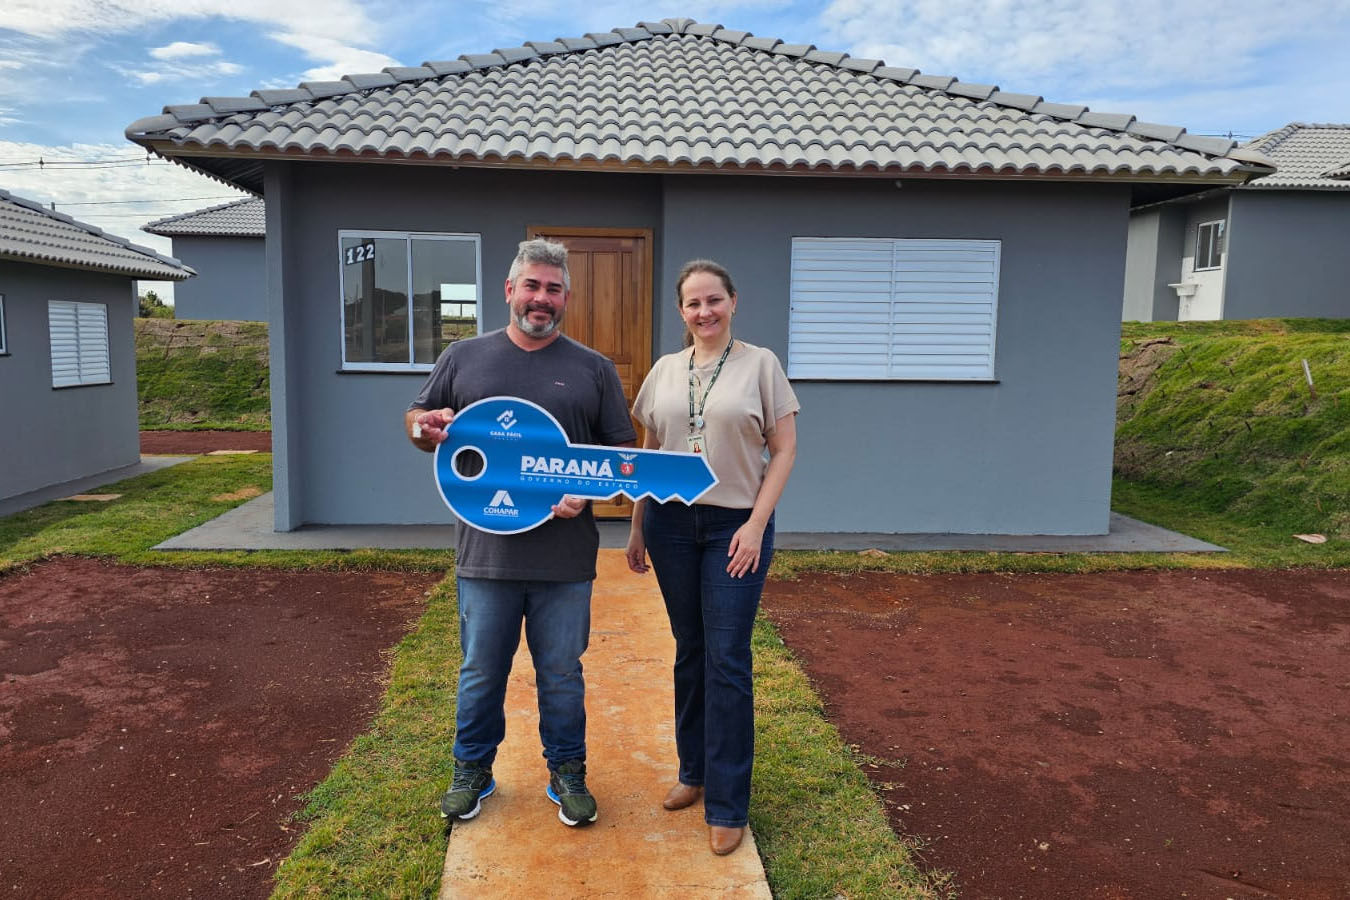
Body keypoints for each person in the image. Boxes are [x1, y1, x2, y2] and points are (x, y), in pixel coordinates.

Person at [406, 238, 636, 828]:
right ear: (509, 291)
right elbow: (419, 420)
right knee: (481, 670)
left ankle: (566, 770)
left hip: (565, 559)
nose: (542, 298)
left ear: (566, 297)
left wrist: (587, 490)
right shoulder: (463, 358)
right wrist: (422, 427)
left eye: (553, 288)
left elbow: (619, 456)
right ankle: (472, 769)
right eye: (531, 285)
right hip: (485, 555)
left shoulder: (594, 369)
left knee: (562, 672)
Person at [625, 259, 799, 856]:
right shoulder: (665, 370)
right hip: (672, 522)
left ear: (733, 302)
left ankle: (729, 803)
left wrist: (755, 524)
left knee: (726, 657)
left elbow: (784, 449)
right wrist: (638, 525)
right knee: (690, 649)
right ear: (681, 311)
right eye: (693, 303)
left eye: (714, 300)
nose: (704, 312)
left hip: (734, 523)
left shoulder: (761, 364)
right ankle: (693, 772)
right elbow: (651, 448)